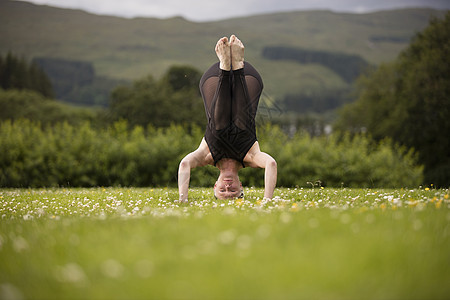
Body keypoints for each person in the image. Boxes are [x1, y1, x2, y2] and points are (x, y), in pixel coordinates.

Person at [178, 35, 277, 202]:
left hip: (214, 80)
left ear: (215, 186)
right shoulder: (251, 157)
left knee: (218, 128)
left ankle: (225, 66)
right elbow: (271, 164)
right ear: (241, 187)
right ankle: (237, 65)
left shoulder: (206, 156)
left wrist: (183, 199)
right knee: (242, 126)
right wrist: (267, 200)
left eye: (222, 191)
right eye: (233, 192)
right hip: (248, 78)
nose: (228, 188)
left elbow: (184, 164)